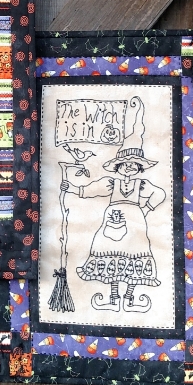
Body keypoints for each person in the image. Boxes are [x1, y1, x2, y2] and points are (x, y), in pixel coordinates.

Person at [61, 97, 165, 313]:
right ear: (118, 167)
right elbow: (91, 189)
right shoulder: (111, 182)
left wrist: (145, 209)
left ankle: (130, 296)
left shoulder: (141, 185)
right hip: (111, 223)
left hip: (135, 224)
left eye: (134, 165)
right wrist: (71, 188)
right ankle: (114, 296)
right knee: (110, 254)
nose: (129, 168)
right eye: (125, 164)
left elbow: (160, 194)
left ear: (139, 168)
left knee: (135, 255)